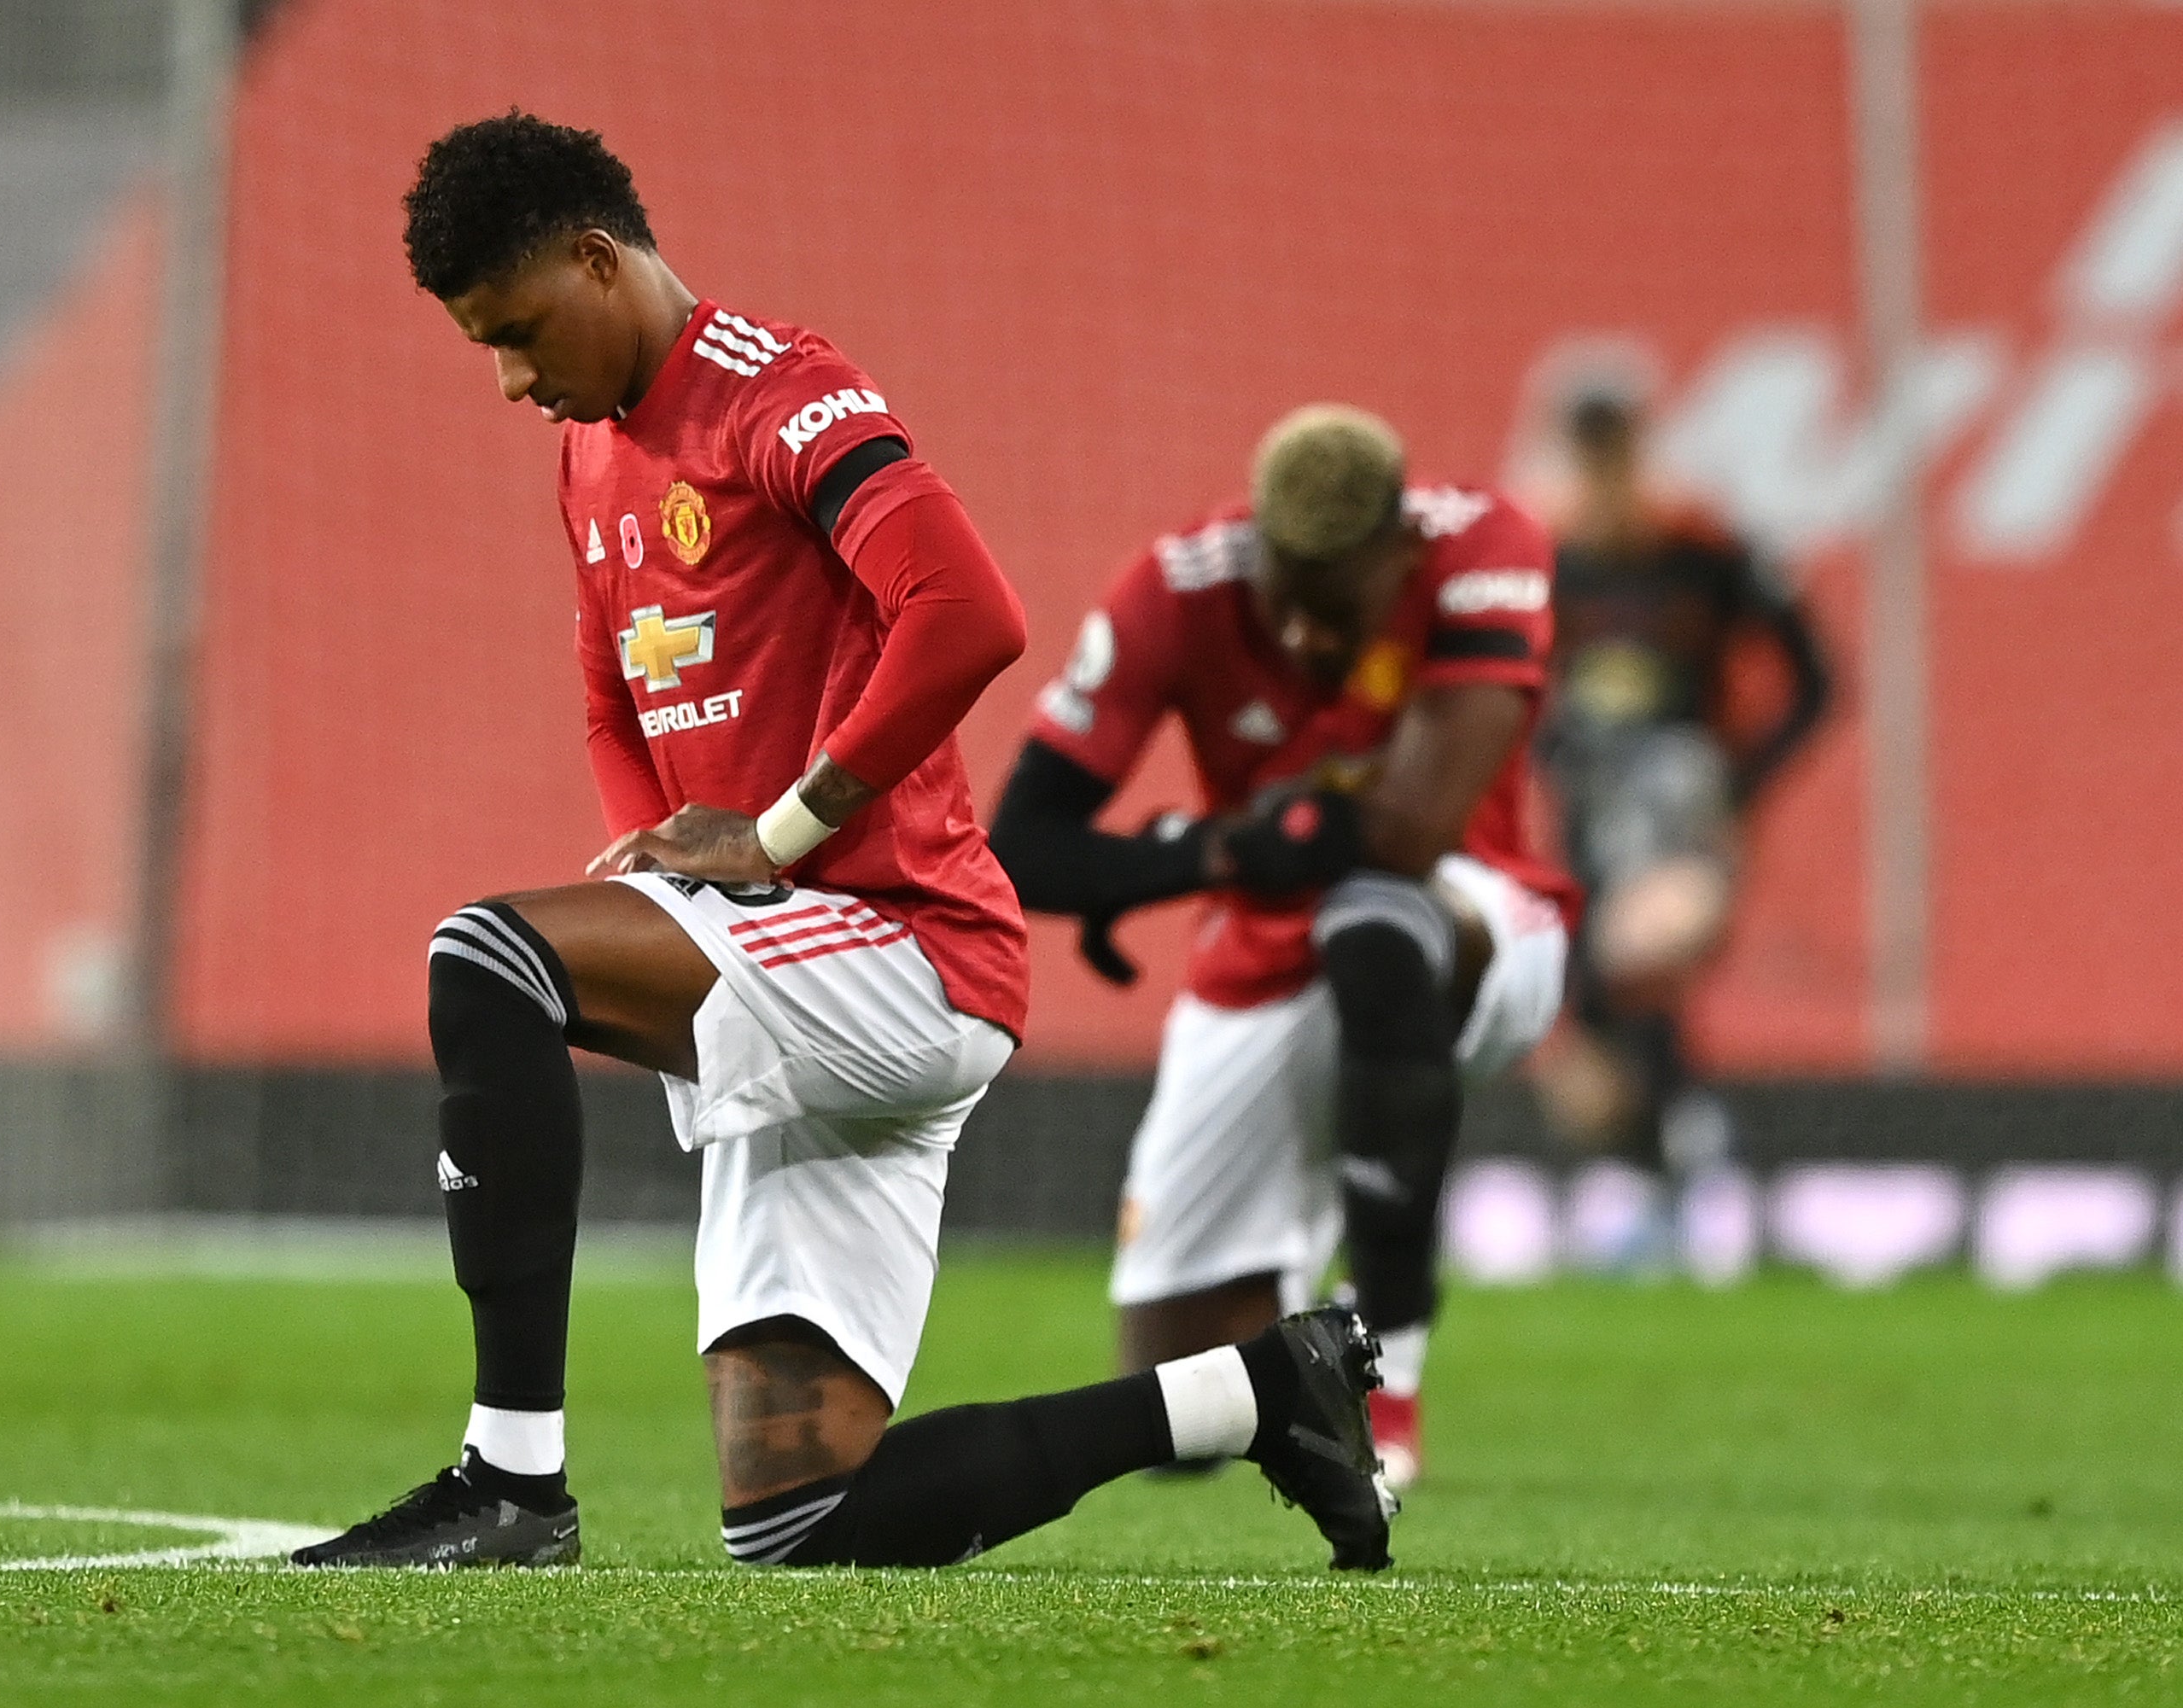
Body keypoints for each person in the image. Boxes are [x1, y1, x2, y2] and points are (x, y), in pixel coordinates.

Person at [291, 112, 1393, 1573]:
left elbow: (970, 613)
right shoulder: (591, 459)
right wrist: (667, 858)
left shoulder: (779, 396)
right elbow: (612, 697)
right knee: (806, 1515)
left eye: (518, 331)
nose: (508, 380)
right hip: (791, 968)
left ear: (596, 259)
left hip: (904, 944)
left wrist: (782, 826)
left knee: (487, 959)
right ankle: (1259, 1389)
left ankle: (512, 1484)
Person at [989, 405, 1577, 1490]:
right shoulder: (1177, 590)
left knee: (1375, 921)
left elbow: (1406, 831)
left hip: (1476, 920)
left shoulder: (1485, 548)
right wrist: (1219, 853)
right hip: (1265, 950)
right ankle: (1314, 1337)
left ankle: (1392, 1356)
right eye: (1285, 607)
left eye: (1334, 613)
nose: (1305, 640)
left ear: (1400, 559)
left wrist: (1190, 854)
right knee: (1180, 1397)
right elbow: (1021, 846)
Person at [1526, 384, 1832, 1231]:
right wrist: (1546, 757)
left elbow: (1816, 680)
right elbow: (1508, 692)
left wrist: (1739, 784)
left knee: (1633, 967)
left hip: (1681, 819)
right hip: (1592, 825)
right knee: (1591, 1045)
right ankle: (1675, 1171)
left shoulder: (1704, 559)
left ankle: (1684, 1175)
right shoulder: (1552, 569)